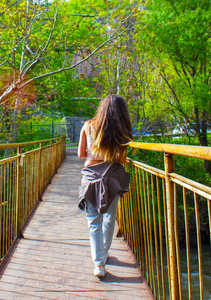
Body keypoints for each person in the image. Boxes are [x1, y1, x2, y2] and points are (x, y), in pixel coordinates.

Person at [77, 94, 132, 278]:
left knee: (94, 220)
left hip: (90, 178)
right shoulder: (121, 132)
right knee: (110, 217)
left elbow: (80, 154)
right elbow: (122, 160)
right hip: (113, 178)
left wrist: (95, 152)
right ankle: (104, 253)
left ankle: (99, 264)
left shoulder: (88, 126)